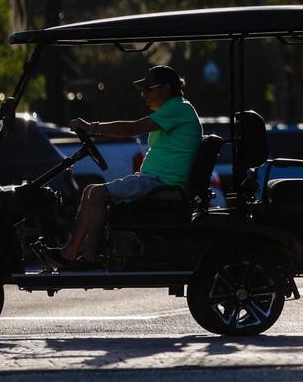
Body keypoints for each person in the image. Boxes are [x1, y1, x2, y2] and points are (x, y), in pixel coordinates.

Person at [51, 65, 202, 269]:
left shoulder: (178, 108)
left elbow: (131, 129)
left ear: (166, 89)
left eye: (148, 89)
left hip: (161, 185)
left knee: (95, 193)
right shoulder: (173, 110)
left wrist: (91, 127)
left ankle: (85, 258)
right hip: (154, 181)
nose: (143, 94)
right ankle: (75, 253)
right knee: (90, 191)